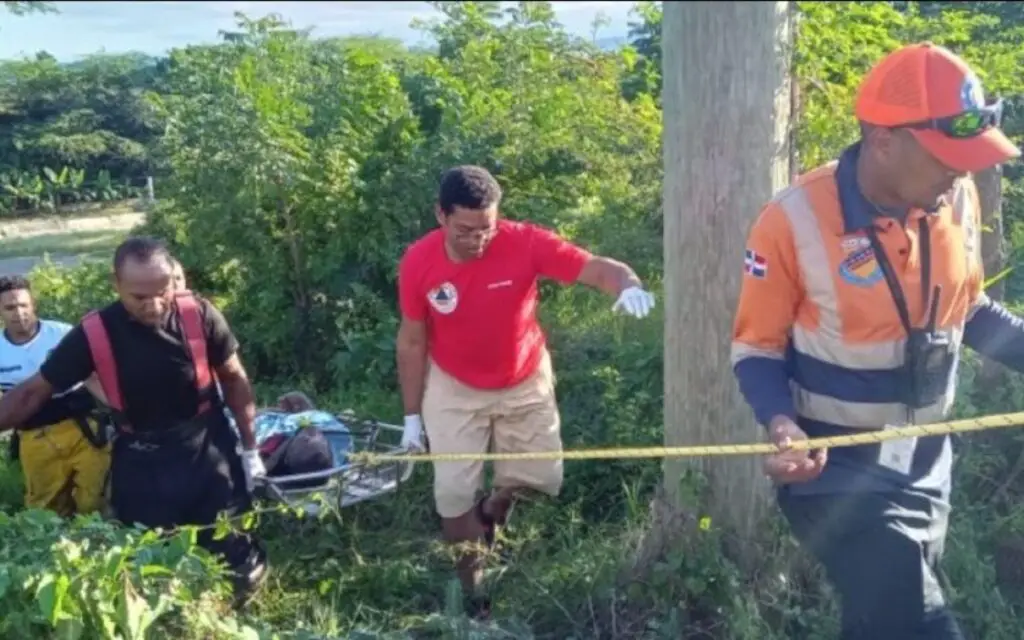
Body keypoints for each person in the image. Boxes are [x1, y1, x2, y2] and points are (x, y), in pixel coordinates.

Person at [731, 42, 1022, 639]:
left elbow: (970, 313)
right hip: (834, 472)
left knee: (879, 620)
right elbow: (756, 347)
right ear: (884, 140)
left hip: (924, 461)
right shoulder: (790, 220)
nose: (962, 171)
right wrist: (781, 424)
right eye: (946, 156)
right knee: (920, 621)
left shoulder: (954, 198)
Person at [396, 165, 656, 617]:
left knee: (541, 478)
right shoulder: (419, 262)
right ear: (440, 215)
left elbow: (596, 269)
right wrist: (411, 418)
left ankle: (497, 504)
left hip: (524, 376)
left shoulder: (526, 242)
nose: (478, 239)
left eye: (487, 229)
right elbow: (412, 341)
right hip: (454, 385)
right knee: (454, 497)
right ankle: (473, 591)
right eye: (465, 230)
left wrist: (627, 283)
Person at [0, 236, 269, 605]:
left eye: (162, 291)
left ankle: (233, 609)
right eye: (139, 297)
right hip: (142, 459)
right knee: (149, 560)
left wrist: (251, 448)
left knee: (230, 553)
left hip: (207, 449)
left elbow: (235, 379)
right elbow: (33, 392)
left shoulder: (198, 314)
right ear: (116, 285)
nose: (154, 305)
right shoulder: (94, 334)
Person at [0, 275, 111, 516]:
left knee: (96, 502)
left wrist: (119, 410)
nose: (18, 313)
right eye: (9, 307)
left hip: (82, 429)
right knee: (44, 510)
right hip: (35, 436)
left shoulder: (62, 334)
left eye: (23, 305)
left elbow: (93, 376)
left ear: (33, 305)